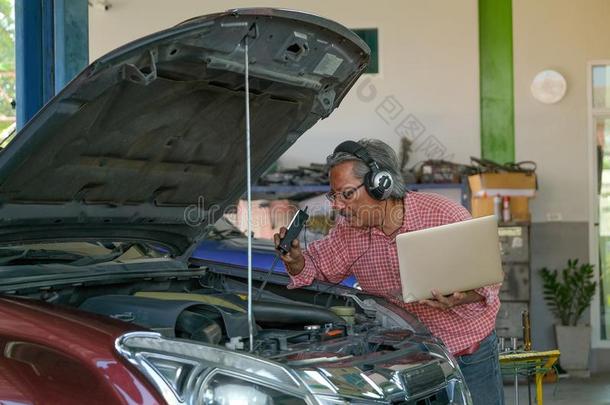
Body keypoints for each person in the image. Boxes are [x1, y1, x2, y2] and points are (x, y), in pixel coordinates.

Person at [273, 139, 503, 404]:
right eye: (333, 196)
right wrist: (295, 260)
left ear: (380, 184)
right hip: (405, 359)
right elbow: (316, 269)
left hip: (467, 353)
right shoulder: (350, 233)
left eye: (346, 194)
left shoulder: (443, 215)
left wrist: (467, 295)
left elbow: (488, 278)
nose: (337, 206)